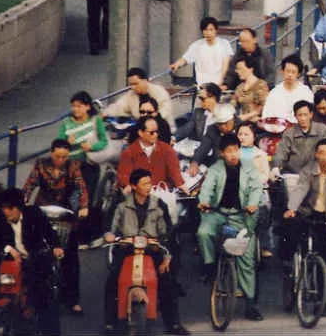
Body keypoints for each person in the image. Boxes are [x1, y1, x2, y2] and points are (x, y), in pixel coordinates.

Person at [103, 169, 189, 335]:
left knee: (167, 280)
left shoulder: (158, 204)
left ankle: (174, 324)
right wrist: (109, 235)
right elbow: (110, 226)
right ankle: (110, 323)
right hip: (126, 248)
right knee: (113, 280)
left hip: (152, 248)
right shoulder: (121, 205)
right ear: (134, 186)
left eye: (150, 183)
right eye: (144, 184)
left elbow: (168, 230)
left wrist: (165, 251)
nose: (149, 187)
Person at [196, 134, 264, 321]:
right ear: (222, 153)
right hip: (218, 213)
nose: (233, 155)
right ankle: (209, 266)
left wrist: (252, 204)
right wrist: (204, 202)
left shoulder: (249, 168)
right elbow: (207, 188)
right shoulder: (215, 169)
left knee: (246, 259)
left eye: (236, 150)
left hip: (241, 216)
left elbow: (256, 188)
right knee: (203, 232)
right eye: (229, 151)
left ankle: (250, 304)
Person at [20, 139, 88, 316]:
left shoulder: (73, 166)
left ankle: (73, 301)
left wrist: (83, 206)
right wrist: (24, 200)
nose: (61, 160)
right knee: (34, 252)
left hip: (65, 211)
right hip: (43, 210)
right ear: (51, 153)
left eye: (64, 157)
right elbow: (29, 185)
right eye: (58, 156)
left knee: (71, 256)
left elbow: (81, 188)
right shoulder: (40, 165)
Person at [0, 188, 62, 336]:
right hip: (11, 263)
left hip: (36, 259)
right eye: (3, 208)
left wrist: (56, 247)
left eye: (9, 208)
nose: (5, 212)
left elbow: (50, 233)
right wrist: (8, 248)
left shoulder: (34, 214)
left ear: (18, 208)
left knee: (44, 297)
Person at [281, 138, 326, 290]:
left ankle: (320, 298)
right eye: (321, 153)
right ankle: (290, 268)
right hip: (308, 213)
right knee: (292, 231)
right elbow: (301, 189)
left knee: (324, 255)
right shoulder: (308, 170)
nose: (324, 157)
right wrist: (292, 208)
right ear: (316, 154)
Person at [58, 90, 110, 195]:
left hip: (89, 165)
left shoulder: (96, 120)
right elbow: (58, 145)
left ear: (88, 107)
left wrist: (91, 147)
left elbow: (104, 141)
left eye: (79, 106)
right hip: (70, 166)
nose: (75, 109)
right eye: (73, 106)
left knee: (87, 197)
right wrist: (67, 143)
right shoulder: (66, 123)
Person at [117, 117, 187, 192]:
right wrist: (127, 185)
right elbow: (124, 174)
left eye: (157, 131)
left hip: (162, 193)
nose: (156, 135)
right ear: (140, 133)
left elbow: (175, 171)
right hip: (139, 193)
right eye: (152, 132)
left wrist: (180, 184)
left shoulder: (167, 150)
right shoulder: (129, 153)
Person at [169, 16, 234, 87]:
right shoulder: (197, 45)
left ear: (216, 30)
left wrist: (221, 83)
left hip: (219, 84)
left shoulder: (224, 44)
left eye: (211, 30)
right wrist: (176, 65)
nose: (208, 33)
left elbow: (226, 64)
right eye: (205, 30)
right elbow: (185, 59)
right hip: (202, 85)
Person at [272, 101, 326, 180]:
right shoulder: (289, 133)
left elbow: (325, 152)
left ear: (311, 115)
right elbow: (281, 152)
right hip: (292, 174)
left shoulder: (322, 130)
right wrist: (276, 166)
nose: (303, 118)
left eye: (305, 115)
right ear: (295, 116)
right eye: (299, 115)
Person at [102, 67, 175, 129]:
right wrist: (105, 113)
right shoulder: (131, 95)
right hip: (141, 130)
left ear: (145, 81)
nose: (133, 87)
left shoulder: (159, 92)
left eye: (135, 84)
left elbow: (165, 111)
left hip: (162, 129)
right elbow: (118, 106)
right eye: (131, 84)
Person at [261, 54, 315, 129]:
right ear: (282, 71)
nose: (290, 75)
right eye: (288, 71)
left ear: (298, 74)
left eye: (293, 72)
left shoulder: (306, 92)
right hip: (277, 130)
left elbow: (309, 117)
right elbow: (266, 116)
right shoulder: (274, 92)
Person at [188, 103, 238, 176]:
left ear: (233, 119)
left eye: (226, 123)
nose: (223, 127)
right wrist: (195, 162)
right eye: (220, 124)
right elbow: (203, 148)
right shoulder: (212, 129)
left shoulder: (242, 130)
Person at [233, 55, 270, 123]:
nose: (237, 71)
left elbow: (263, 106)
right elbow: (233, 104)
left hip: (256, 123)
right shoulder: (240, 87)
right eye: (237, 69)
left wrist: (247, 116)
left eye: (240, 69)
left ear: (251, 69)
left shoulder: (261, 85)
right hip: (242, 122)